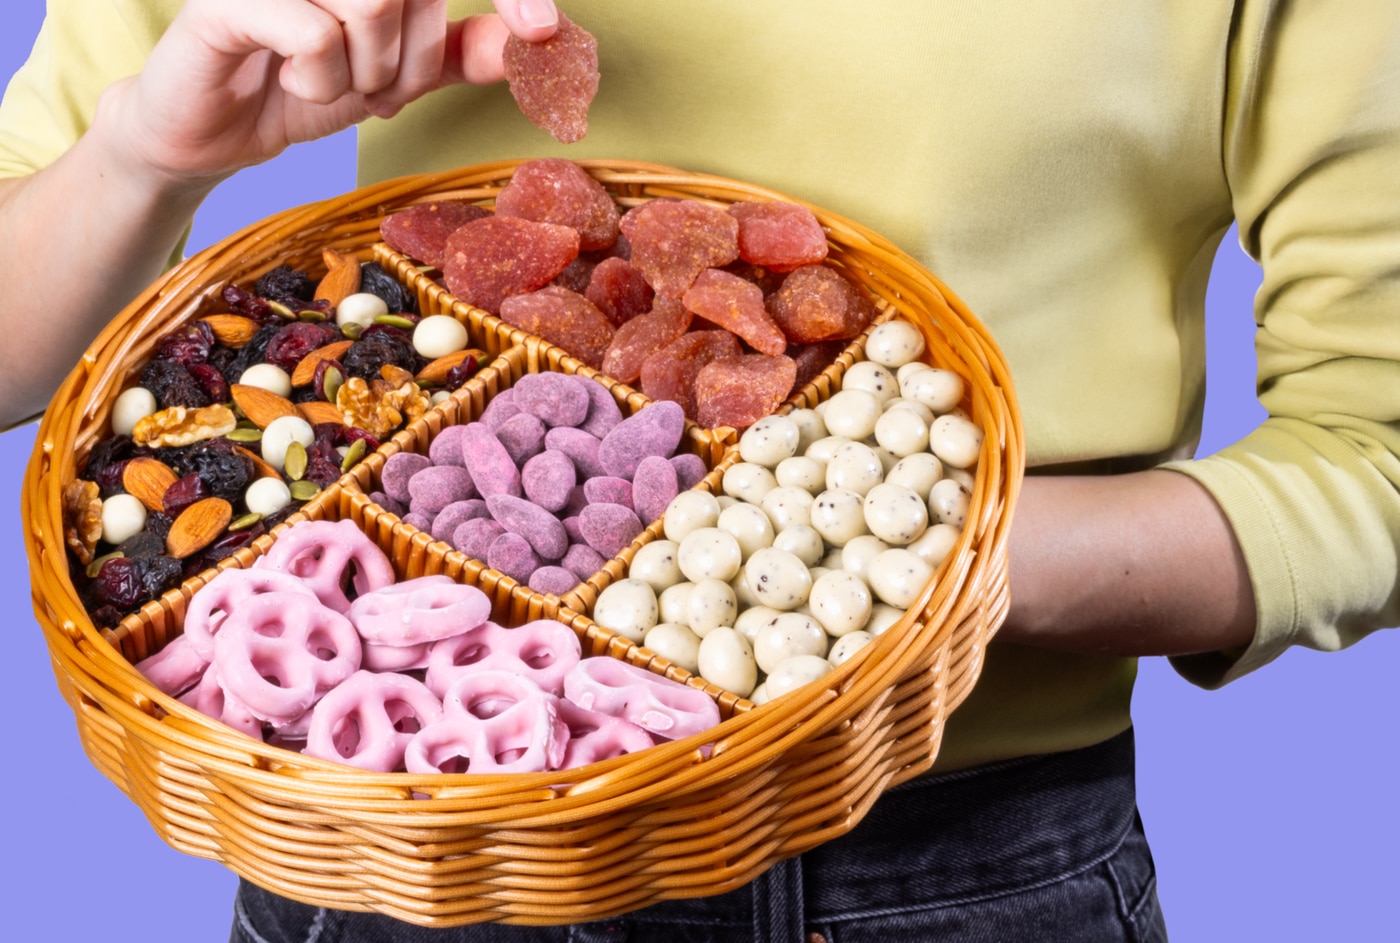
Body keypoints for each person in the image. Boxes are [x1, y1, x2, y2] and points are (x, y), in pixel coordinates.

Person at [1, 2, 1396, 941]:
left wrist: (889, 571)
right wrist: (144, 151)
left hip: (958, 871)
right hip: (413, 856)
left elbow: (1374, 467)